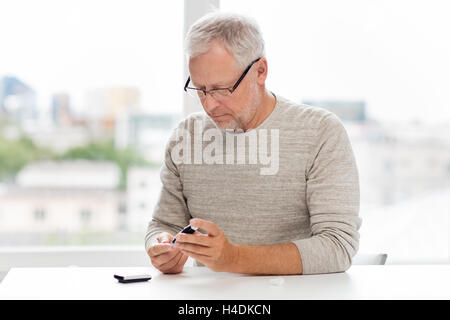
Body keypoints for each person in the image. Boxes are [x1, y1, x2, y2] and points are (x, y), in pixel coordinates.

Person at [145, 11, 361, 275]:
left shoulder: (320, 132)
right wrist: (162, 246)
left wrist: (234, 258)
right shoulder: (186, 135)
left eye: (222, 89)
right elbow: (163, 223)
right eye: (200, 89)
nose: (209, 104)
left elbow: (337, 247)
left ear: (260, 71)